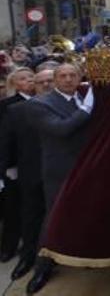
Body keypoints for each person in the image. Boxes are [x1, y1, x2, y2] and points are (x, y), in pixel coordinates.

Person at [26, 63, 95, 295]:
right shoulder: (38, 104)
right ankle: (43, 268)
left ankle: (86, 255)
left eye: (72, 75)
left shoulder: (85, 97)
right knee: (54, 217)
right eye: (62, 76)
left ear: (79, 78)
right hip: (61, 169)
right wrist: (86, 110)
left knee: (88, 212)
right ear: (55, 80)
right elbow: (61, 129)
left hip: (88, 168)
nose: (68, 79)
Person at [0, 67, 51, 282]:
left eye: (51, 80)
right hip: (30, 173)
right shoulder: (18, 111)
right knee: (31, 217)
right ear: (34, 85)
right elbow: (6, 143)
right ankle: (28, 258)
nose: (46, 85)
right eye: (41, 82)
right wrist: (5, 170)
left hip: (60, 173)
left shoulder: (71, 106)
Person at [0, 68, 35, 262]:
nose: (29, 80)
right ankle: (8, 246)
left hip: (36, 163)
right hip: (16, 164)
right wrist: (7, 166)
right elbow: (5, 138)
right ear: (15, 84)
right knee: (12, 208)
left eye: (31, 77)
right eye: (23, 78)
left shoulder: (42, 101)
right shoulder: (7, 105)